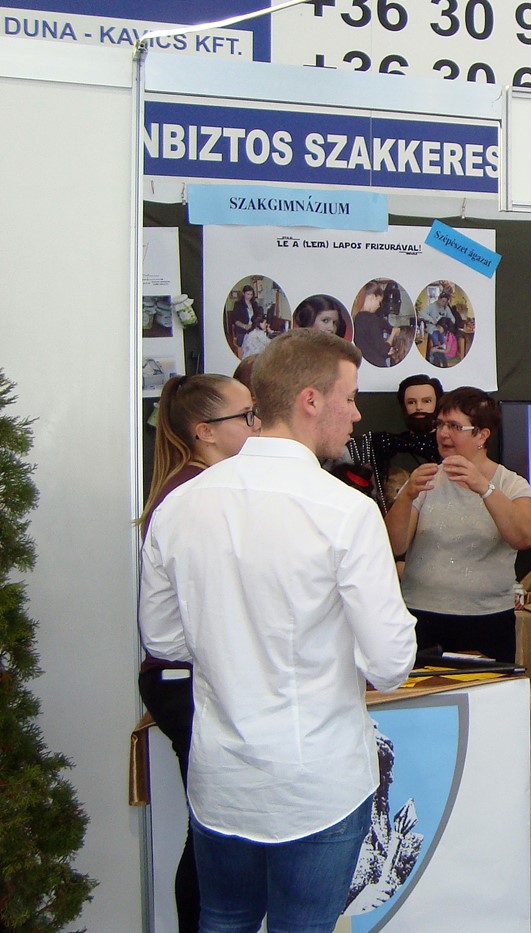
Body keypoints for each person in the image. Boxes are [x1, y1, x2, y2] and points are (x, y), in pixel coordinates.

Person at [139, 329, 418, 933]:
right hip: (317, 780)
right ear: (310, 399)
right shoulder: (344, 510)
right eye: (350, 397)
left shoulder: (179, 504)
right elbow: (391, 663)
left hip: (223, 777)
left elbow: (162, 640)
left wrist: (230, 643)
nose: (357, 414)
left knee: (223, 919)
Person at [136, 373, 260, 933]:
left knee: (214, 825)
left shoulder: (205, 487)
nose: (257, 425)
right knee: (212, 828)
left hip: (189, 675)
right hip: (184, 679)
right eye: (247, 416)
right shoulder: (194, 498)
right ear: (205, 431)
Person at [387, 387, 531, 662]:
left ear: (482, 435)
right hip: (421, 616)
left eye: (455, 426)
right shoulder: (425, 479)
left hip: (487, 620)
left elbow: (525, 537)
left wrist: (484, 488)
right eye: (440, 425)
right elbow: (394, 546)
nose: (443, 434)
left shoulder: (511, 484)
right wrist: (407, 496)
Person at [343, 375, 443, 512]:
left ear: (437, 404)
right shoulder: (384, 445)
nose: (419, 407)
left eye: (427, 401)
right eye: (411, 402)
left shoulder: (451, 445)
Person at [352, 280, 393, 367]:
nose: (379, 306)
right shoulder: (371, 319)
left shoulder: (356, 318)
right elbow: (383, 350)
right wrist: (393, 334)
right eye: (379, 301)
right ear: (373, 297)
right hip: (376, 365)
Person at [227, 284, 259, 349]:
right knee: (250, 345)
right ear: (243, 293)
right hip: (242, 331)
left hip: (253, 329)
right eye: (248, 294)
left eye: (251, 294)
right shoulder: (238, 304)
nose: (249, 296)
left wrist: (255, 325)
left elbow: (257, 316)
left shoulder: (254, 304)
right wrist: (245, 326)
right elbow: (235, 320)